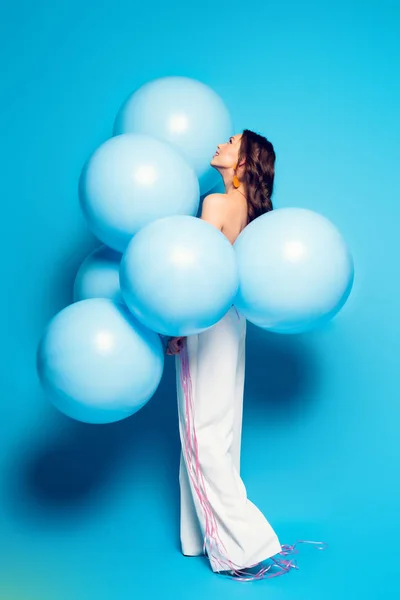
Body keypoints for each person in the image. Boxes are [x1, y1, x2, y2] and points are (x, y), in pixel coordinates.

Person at [166, 130, 326, 580]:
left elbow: (194, 274)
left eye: (231, 141)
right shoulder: (254, 213)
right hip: (234, 323)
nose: (220, 143)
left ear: (242, 164)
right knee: (220, 429)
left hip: (206, 321)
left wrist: (175, 329)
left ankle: (244, 547)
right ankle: (200, 538)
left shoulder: (215, 205)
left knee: (200, 434)